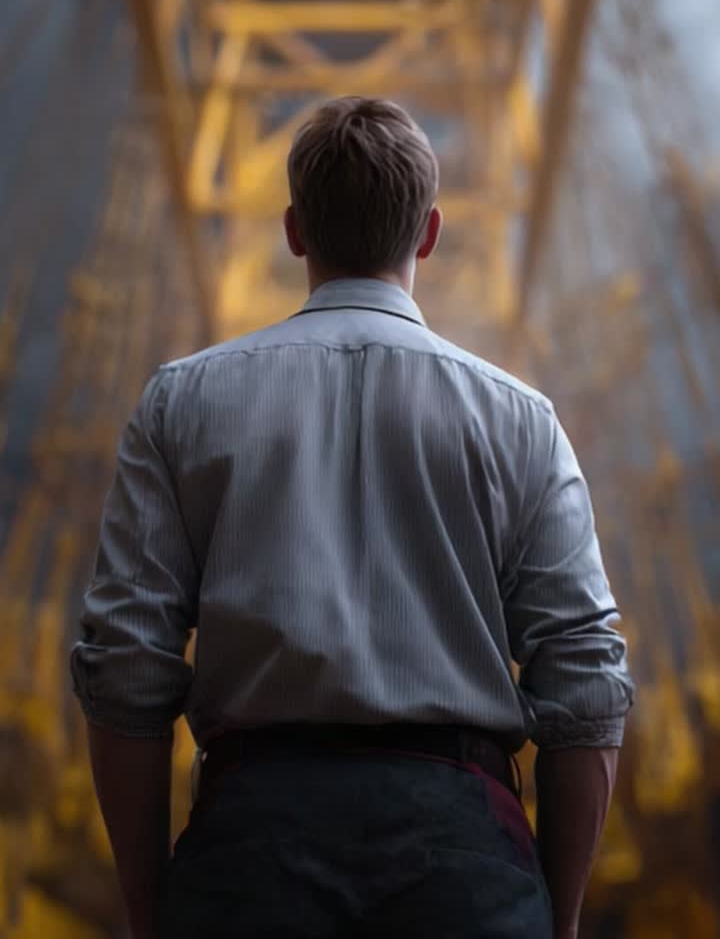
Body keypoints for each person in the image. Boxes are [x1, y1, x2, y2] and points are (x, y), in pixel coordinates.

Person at [72, 96, 634, 939]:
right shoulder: (524, 420)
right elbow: (584, 675)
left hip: (248, 850)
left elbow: (124, 664)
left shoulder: (179, 403)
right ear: (430, 233)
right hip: (468, 854)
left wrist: (152, 914)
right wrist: (558, 919)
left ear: (294, 231)